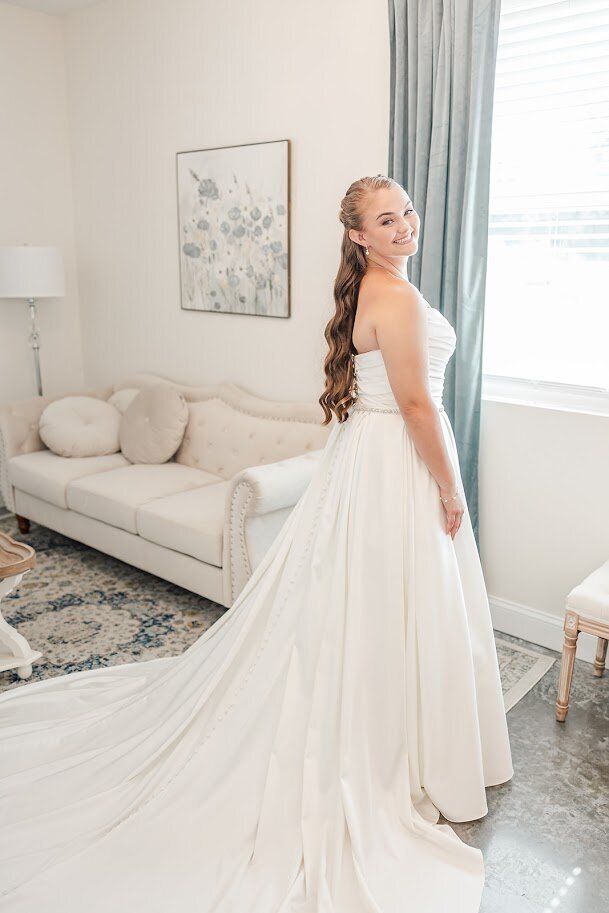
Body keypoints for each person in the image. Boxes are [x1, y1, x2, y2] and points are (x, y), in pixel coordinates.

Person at [0, 174, 512, 912]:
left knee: (372, 599)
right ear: (358, 235)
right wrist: (451, 486)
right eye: (385, 218)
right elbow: (411, 402)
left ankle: (407, 732)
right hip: (397, 457)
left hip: (374, 456)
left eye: (406, 211)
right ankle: (396, 743)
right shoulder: (392, 294)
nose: (405, 224)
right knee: (390, 597)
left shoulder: (380, 285)